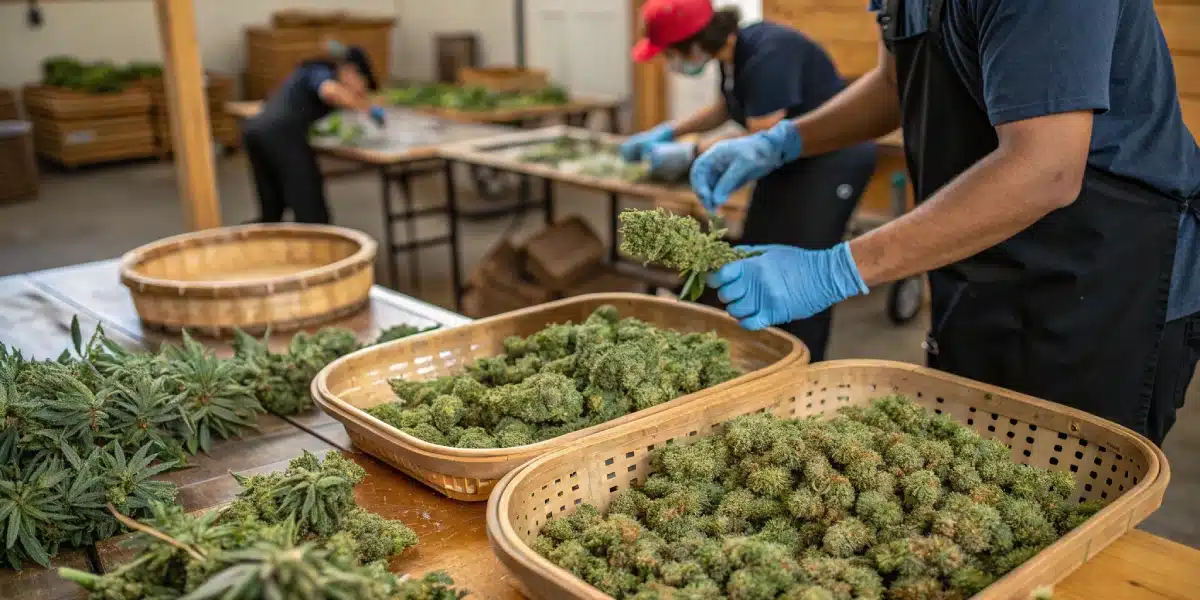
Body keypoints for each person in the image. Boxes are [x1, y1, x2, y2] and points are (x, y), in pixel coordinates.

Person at [690, 0, 1200, 446]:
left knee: (1065, 496)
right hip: (982, 261)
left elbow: (1046, 168)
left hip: (1102, 278)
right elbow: (893, 83)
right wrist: (784, 142)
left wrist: (836, 270)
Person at [622, 0, 877, 361]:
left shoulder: (768, 53)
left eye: (670, 54)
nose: (670, 63)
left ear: (694, 43)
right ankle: (758, 354)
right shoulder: (733, 56)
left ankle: (803, 364)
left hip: (832, 162)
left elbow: (761, 135)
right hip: (787, 161)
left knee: (801, 272)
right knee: (755, 249)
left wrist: (691, 152)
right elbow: (727, 107)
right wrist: (669, 131)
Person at [241, 41, 387, 224]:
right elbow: (330, 91)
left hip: (257, 131)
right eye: (362, 85)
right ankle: (317, 248)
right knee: (311, 211)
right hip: (281, 134)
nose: (360, 92)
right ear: (350, 71)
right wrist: (365, 108)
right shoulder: (320, 71)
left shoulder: (307, 71)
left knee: (272, 211)